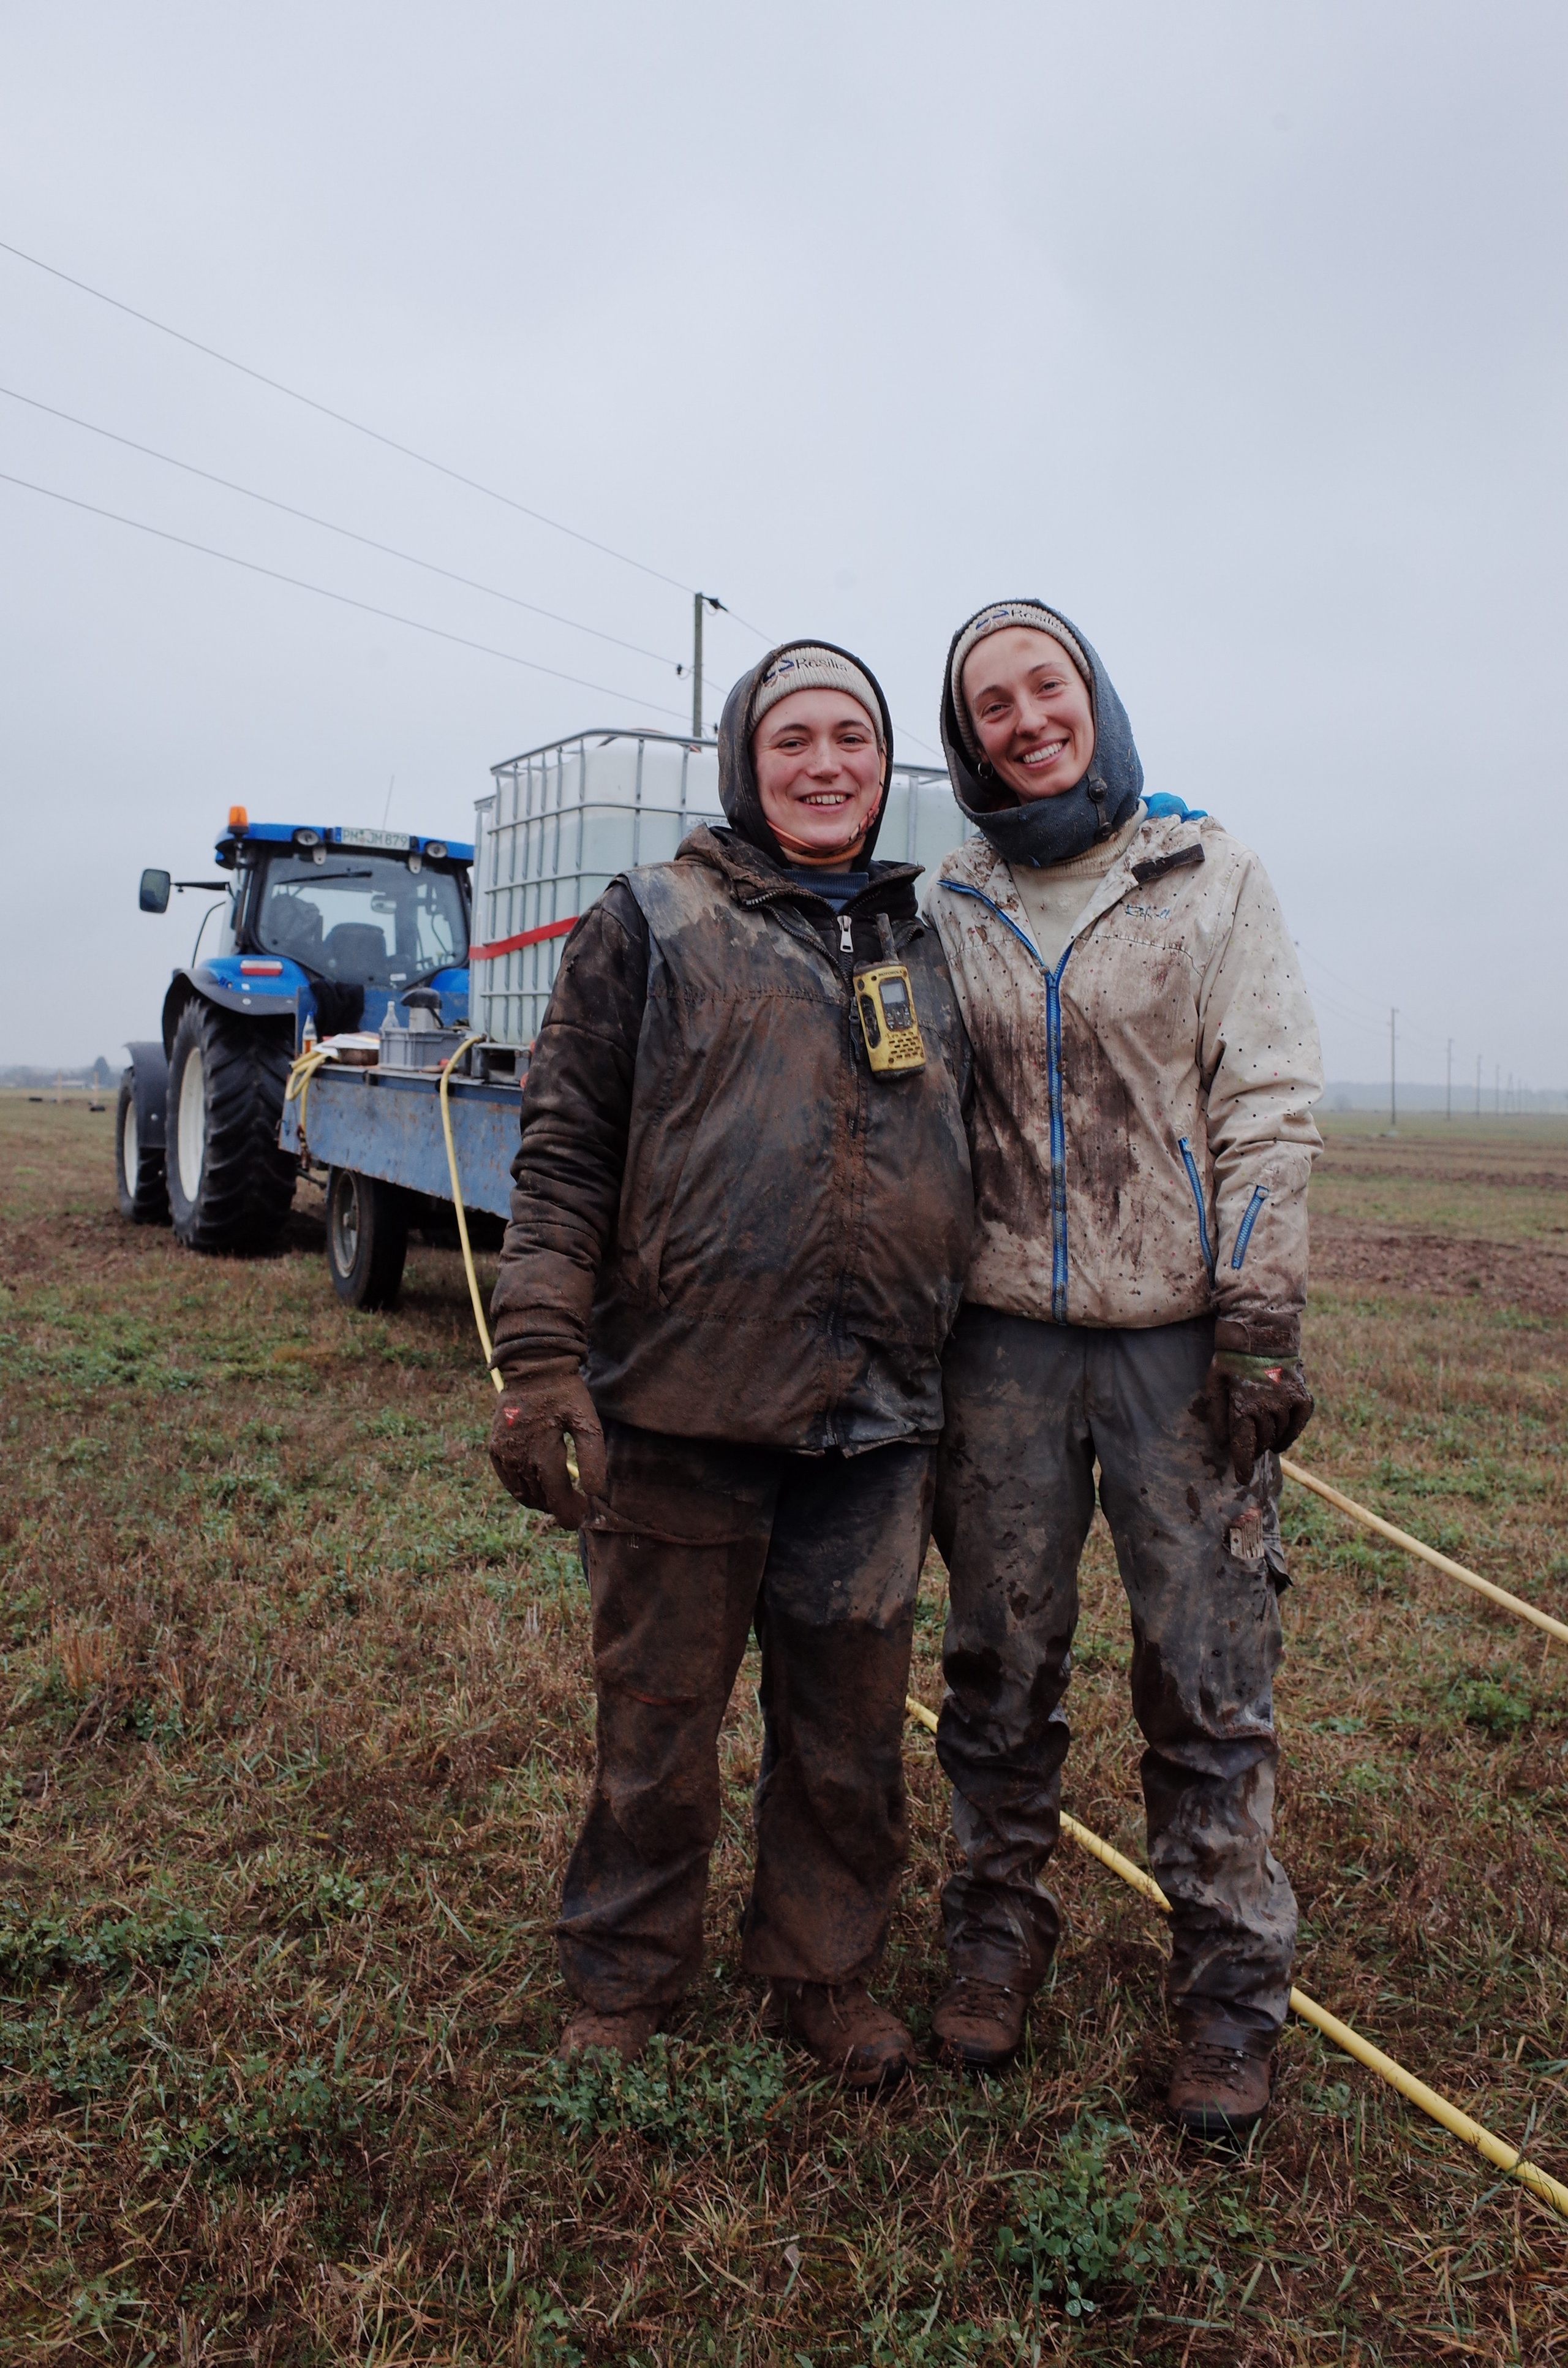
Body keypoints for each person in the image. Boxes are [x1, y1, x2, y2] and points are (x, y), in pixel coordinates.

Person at [486, 641, 973, 2087]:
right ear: (741, 762)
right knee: (657, 1724)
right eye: (792, 741)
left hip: (875, 1419)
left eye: (854, 740)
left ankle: (819, 1976)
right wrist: (536, 1354)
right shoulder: (652, 919)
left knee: (848, 1734)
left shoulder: (923, 942)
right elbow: (564, 1149)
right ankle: (623, 1980)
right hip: (683, 1404)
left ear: (886, 767)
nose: (826, 765)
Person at [924, 599, 1322, 2136]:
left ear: (1092, 693)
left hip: (1179, 1352)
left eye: (1048, 686)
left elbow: (1267, 1102)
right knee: (995, 1669)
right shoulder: (947, 899)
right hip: (1001, 1348)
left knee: (1207, 1682)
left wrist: (1259, 1317)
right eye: (991, 705)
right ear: (965, 742)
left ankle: (1227, 1995)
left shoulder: (1203, 875)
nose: (1028, 720)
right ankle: (991, 1933)